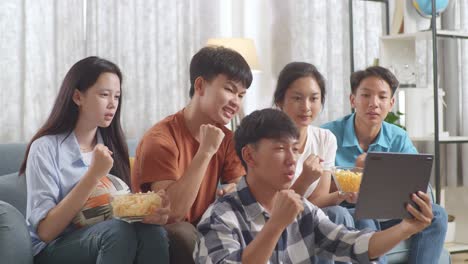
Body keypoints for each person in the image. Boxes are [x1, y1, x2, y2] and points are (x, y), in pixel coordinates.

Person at [194, 108, 434, 263]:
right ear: (249, 156)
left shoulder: (303, 210)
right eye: (279, 149)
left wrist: (407, 227)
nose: (292, 159)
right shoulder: (220, 218)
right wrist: (276, 225)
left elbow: (354, 243)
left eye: (295, 150)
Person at [20, 56, 170, 264]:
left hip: (108, 237)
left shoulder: (113, 146)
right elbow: (46, 231)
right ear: (77, 97)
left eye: (117, 97)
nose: (112, 104)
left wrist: (148, 213)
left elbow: (118, 210)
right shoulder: (45, 148)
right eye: (104, 95)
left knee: (153, 232)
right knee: (117, 231)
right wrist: (93, 175)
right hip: (55, 248)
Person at [131, 46, 253, 263]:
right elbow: (173, 213)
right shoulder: (160, 139)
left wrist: (235, 190)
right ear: (200, 85)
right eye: (229, 89)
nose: (236, 101)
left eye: (241, 95)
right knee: (183, 233)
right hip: (163, 233)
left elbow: (242, 188)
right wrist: (205, 152)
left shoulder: (227, 138)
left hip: (207, 227)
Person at [321, 66, 448, 264]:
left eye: (382, 97)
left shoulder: (398, 137)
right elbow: (318, 190)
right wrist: (356, 174)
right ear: (353, 100)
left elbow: (415, 180)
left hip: (390, 208)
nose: (374, 103)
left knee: (437, 214)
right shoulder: (328, 135)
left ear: (391, 103)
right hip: (347, 209)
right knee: (365, 217)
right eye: (366, 95)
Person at [274, 62, 357, 264]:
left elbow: (318, 200)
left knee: (339, 212)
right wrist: (304, 178)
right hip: (277, 221)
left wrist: (342, 194)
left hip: (310, 215)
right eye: (297, 98)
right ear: (280, 101)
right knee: (336, 216)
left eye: (314, 98)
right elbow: (274, 208)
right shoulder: (268, 141)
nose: (306, 107)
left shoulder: (325, 139)